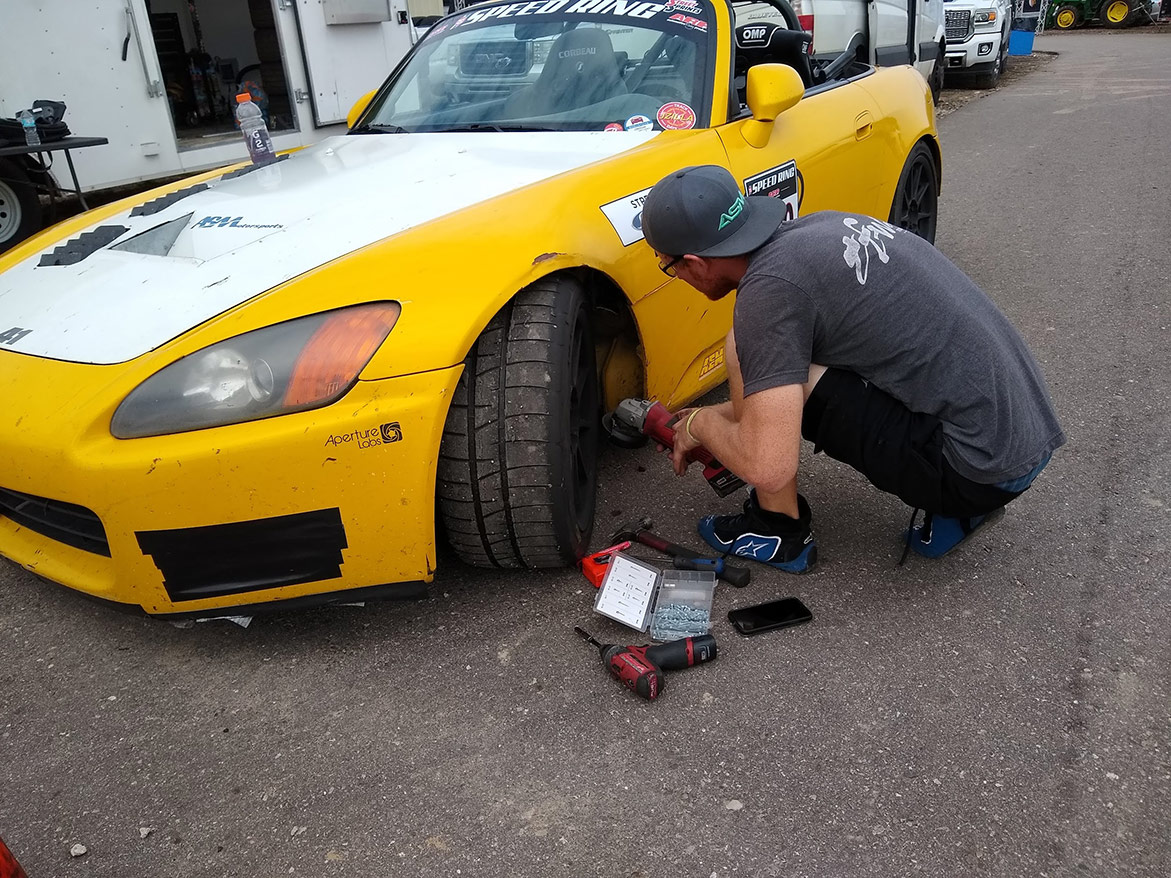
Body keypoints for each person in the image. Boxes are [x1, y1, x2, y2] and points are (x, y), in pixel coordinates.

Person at [640, 165, 1065, 572]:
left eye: (669, 265)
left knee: (749, 350)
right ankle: (965, 507)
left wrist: (701, 426)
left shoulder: (769, 294)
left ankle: (777, 531)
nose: (675, 274)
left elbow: (768, 464)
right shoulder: (816, 230)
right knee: (752, 348)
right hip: (1019, 439)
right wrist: (720, 419)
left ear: (694, 262)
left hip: (977, 470)